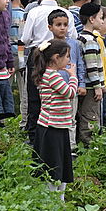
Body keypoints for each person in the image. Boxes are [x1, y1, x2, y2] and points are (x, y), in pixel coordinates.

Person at [20, 0, 77, 143]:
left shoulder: (34, 12)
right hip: (61, 57)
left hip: (38, 56)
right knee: (59, 96)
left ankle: (34, 138)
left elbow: (25, 39)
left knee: (35, 98)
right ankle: (59, 137)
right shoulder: (66, 13)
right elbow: (73, 36)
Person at [31, 39, 77, 201]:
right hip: (53, 127)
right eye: (67, 57)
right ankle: (54, 200)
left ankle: (59, 199)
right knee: (54, 166)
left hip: (56, 126)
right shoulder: (53, 76)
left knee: (61, 165)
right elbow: (70, 92)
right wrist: (73, 76)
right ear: (56, 58)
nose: (69, 61)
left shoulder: (46, 74)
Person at [47, 9, 86, 154]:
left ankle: (71, 147)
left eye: (65, 24)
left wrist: (81, 84)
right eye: (59, 24)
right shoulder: (48, 45)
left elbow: (79, 64)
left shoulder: (74, 44)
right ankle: (55, 148)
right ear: (50, 27)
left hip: (71, 87)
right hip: (53, 89)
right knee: (54, 117)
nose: (62, 27)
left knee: (71, 118)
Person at [77, 3, 105, 149]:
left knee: (82, 115)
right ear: (92, 19)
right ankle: (89, 147)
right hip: (90, 87)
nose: (102, 21)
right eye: (100, 18)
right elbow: (92, 66)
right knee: (91, 116)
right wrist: (98, 86)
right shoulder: (90, 41)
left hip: (84, 86)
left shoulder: (80, 37)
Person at [8, 0, 28, 127]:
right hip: (19, 54)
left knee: (4, 88)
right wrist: (22, 60)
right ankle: (24, 122)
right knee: (24, 92)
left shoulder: (4, 13)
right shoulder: (22, 14)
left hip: (6, 55)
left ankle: (1, 120)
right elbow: (23, 39)